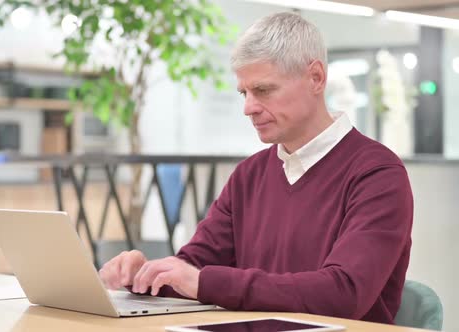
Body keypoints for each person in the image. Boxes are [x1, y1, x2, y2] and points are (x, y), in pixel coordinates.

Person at [99, 12, 413, 325]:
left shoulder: (378, 174)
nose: (248, 107)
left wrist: (202, 282)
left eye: (263, 90)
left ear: (316, 78)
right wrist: (144, 275)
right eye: (244, 93)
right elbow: (193, 270)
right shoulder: (249, 175)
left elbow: (343, 293)